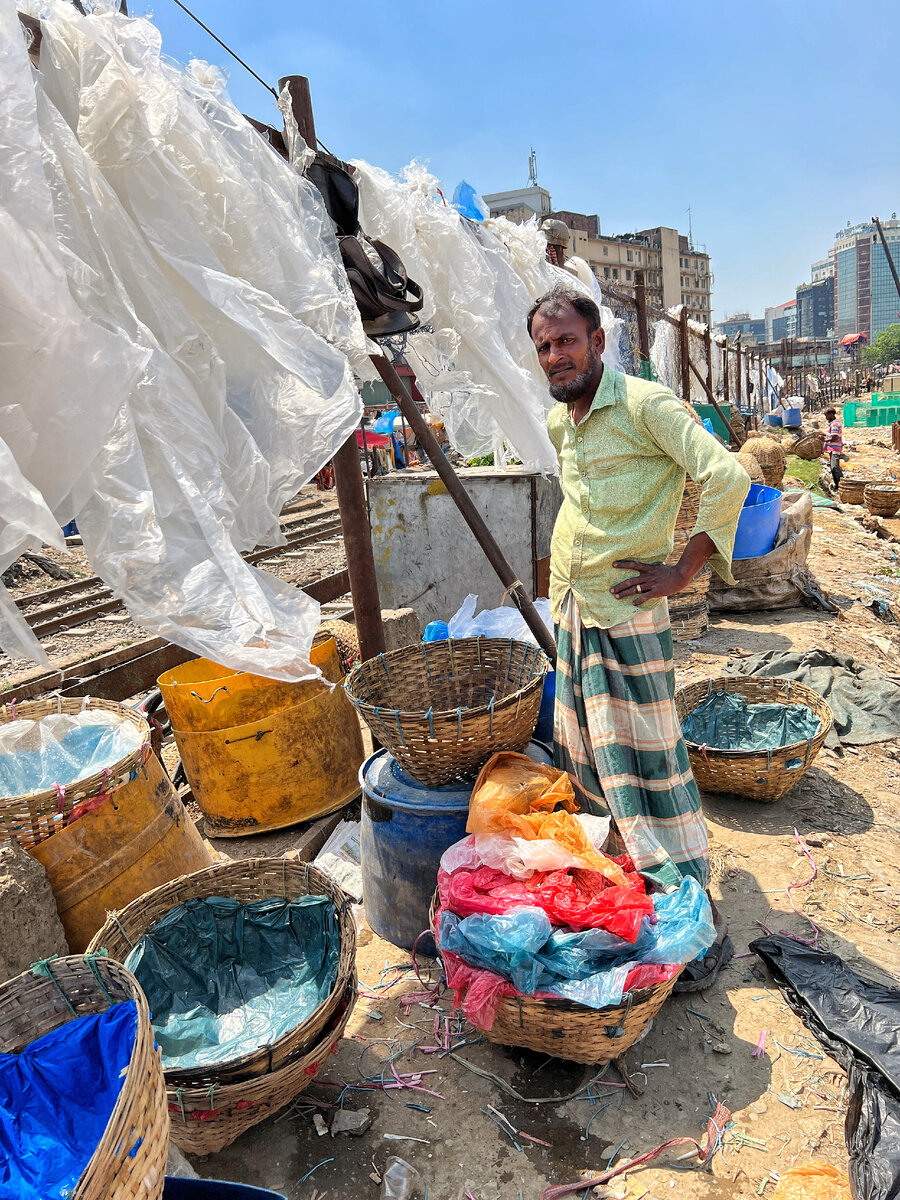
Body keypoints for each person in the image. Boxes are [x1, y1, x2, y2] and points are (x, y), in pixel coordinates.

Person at [527, 284, 750, 990]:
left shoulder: (646, 405)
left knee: (653, 759)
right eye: (543, 347)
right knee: (589, 757)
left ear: (597, 342)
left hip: (627, 614)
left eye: (565, 341)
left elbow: (727, 474)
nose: (555, 356)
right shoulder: (563, 423)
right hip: (575, 608)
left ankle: (686, 886)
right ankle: (626, 877)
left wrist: (683, 570)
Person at [823, 406, 843, 487]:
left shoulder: (834, 424)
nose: (826, 417)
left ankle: (840, 485)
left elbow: (835, 437)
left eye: (826, 415)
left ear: (831, 414)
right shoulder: (834, 423)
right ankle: (838, 485)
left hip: (835, 449)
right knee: (833, 467)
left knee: (835, 468)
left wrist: (825, 440)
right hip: (833, 448)